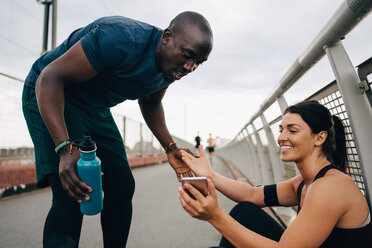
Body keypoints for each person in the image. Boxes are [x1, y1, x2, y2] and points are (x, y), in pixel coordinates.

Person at [22, 11, 213, 247]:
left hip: (93, 106)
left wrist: (170, 147)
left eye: (198, 63)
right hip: (52, 93)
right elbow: (49, 78)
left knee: (122, 186)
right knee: (70, 192)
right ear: (167, 37)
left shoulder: (171, 66)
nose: (189, 66)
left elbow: (151, 102)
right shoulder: (120, 39)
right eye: (187, 55)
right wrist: (64, 148)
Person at [179, 100, 372, 248]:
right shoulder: (304, 183)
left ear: (320, 137)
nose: (281, 137)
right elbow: (252, 195)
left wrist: (215, 216)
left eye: (292, 130)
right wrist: (210, 175)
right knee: (244, 211)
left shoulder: (331, 187)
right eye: (280, 130)